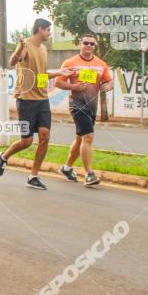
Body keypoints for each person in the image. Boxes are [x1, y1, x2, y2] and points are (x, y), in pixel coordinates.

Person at [0, 18, 73, 189]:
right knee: (27, 141)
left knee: (45, 136)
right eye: (48, 30)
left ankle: (33, 176)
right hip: (26, 99)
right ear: (40, 29)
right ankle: (4, 157)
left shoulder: (44, 49)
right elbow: (13, 62)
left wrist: (59, 72)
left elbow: (41, 76)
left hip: (42, 99)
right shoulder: (25, 45)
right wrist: (20, 47)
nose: (50, 33)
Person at [54, 33, 113, 187]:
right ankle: (89, 174)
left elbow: (109, 81)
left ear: (94, 46)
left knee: (80, 138)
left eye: (92, 44)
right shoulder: (70, 63)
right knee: (88, 137)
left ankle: (67, 168)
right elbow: (58, 83)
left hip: (92, 107)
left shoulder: (101, 64)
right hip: (77, 105)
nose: (89, 46)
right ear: (80, 44)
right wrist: (73, 86)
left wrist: (108, 86)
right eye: (86, 43)